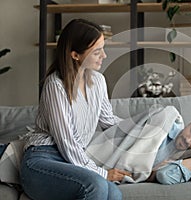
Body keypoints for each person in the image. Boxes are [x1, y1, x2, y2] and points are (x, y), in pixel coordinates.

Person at [20, 19, 131, 200]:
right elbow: (66, 141)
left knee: (114, 193)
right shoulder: (55, 86)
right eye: (97, 52)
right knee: (96, 185)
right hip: (42, 160)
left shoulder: (98, 81)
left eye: (103, 48)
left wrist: (145, 125)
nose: (104, 56)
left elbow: (109, 122)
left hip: (70, 161)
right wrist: (102, 173)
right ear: (75, 55)